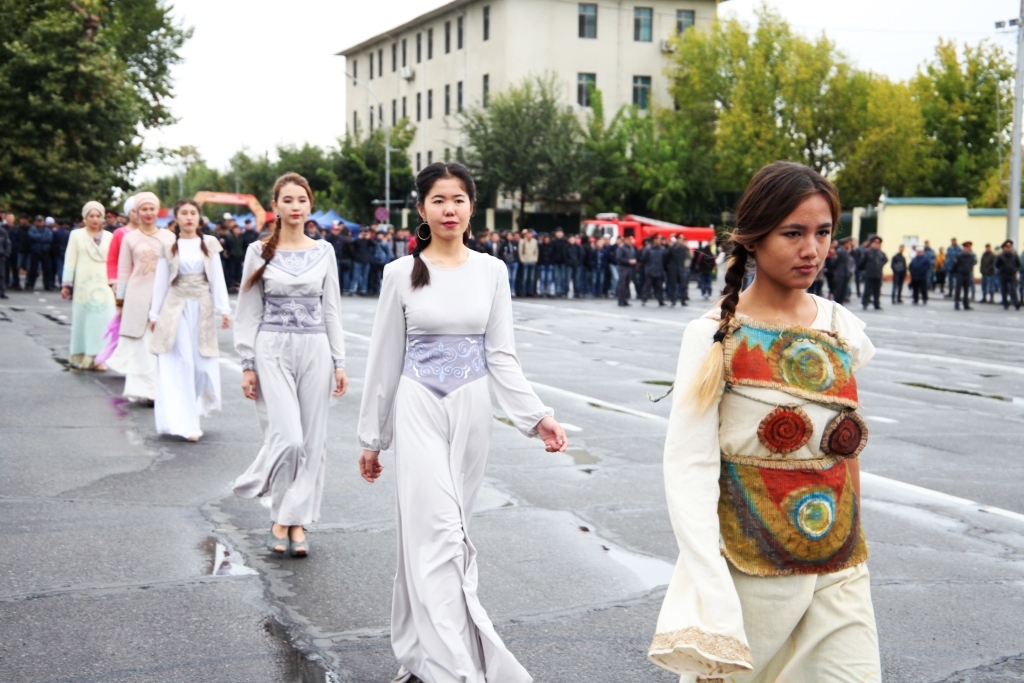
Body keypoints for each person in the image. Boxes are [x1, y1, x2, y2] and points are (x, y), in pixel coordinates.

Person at [649, 161, 880, 682]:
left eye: (823, 233)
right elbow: (687, 467)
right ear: (753, 239)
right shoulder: (713, 335)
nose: (812, 250)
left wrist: (854, 534)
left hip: (840, 563)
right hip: (749, 566)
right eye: (792, 233)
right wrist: (711, 585)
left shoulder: (842, 326)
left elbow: (847, 450)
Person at [357, 161, 568, 683]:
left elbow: (502, 356)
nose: (449, 209)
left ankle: (419, 650)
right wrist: (373, 438)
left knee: (442, 540)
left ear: (472, 206)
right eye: (438, 200)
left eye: (458, 199)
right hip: (417, 408)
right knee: (441, 537)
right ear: (422, 209)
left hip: (472, 412)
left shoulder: (492, 271)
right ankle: (454, 668)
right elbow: (383, 360)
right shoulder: (398, 275)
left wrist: (535, 415)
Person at [233, 173, 348, 558]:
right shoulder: (258, 251)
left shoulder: (324, 251)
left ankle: (291, 523)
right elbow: (248, 310)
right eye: (288, 199)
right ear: (276, 206)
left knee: (312, 441)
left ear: (309, 205)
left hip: (315, 346)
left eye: (302, 199)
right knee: (288, 437)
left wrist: (339, 361)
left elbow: (331, 307)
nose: (295, 206)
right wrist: (247, 362)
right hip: (271, 348)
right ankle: (259, 487)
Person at [148, 199, 231, 441]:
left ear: (199, 217)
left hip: (202, 308)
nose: (188, 217)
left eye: (193, 213)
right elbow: (161, 282)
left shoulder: (208, 243)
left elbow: (217, 278)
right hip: (176, 308)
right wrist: (154, 314)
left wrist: (224, 309)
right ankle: (186, 423)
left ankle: (191, 407)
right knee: (182, 360)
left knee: (202, 366)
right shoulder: (169, 246)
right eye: (183, 213)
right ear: (176, 217)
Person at [108, 192, 175, 403]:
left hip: (163, 297)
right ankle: (146, 391)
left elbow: (176, 271)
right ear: (135, 213)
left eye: (152, 209)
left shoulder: (169, 237)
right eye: (143, 209)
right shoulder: (129, 238)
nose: (148, 213)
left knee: (162, 344)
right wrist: (120, 303)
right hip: (137, 297)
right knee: (142, 344)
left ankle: (161, 390)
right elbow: (123, 273)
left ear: (158, 211)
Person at [60, 201, 116, 369]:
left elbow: (113, 261)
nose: (94, 219)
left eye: (98, 216)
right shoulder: (76, 235)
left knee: (105, 319)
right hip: (83, 286)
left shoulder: (110, 237)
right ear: (84, 218)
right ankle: (86, 356)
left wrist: (115, 283)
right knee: (85, 321)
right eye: (91, 216)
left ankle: (102, 358)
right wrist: (66, 284)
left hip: (104, 284)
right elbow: (70, 261)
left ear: (103, 218)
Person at [107, 196, 138, 289]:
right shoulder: (119, 233)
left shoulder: (151, 234)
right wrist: (114, 280)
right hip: (124, 280)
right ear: (128, 213)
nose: (137, 214)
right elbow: (112, 259)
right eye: (134, 211)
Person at [26, 215, 54, 291]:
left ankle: (47, 285)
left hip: (45, 251)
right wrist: (41, 237)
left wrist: (38, 238)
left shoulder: (48, 230)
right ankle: (30, 285)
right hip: (35, 251)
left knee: (47, 269)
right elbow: (31, 236)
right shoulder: (32, 229)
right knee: (33, 269)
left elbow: (48, 239)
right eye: (38, 221)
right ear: (35, 222)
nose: (40, 222)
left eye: (41, 221)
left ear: (44, 222)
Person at [860, 236, 886, 310]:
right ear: (871, 244)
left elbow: (885, 260)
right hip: (869, 274)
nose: (876, 245)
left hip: (878, 275)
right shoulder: (867, 252)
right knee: (867, 290)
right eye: (875, 243)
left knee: (877, 291)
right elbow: (862, 263)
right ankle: (865, 303)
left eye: (878, 244)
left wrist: (881, 265)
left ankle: (876, 304)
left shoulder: (881, 253)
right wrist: (866, 269)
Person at [641, 235, 667, 306]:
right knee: (647, 286)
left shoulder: (662, 249)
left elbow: (665, 260)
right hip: (650, 270)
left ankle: (660, 300)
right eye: (658, 239)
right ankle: (644, 299)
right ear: (654, 240)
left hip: (659, 270)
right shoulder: (648, 249)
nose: (659, 240)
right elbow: (643, 259)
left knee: (660, 287)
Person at [994, 240, 1021, 310]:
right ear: (1003, 248)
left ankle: (1016, 303)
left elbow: (1018, 264)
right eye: (1007, 247)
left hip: (1012, 275)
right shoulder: (1000, 256)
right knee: (1004, 290)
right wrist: (1000, 271)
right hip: (1003, 275)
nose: (1009, 248)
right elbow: (996, 265)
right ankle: (1005, 303)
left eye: (1010, 247)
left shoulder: (1014, 255)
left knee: (1013, 289)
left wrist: (1016, 271)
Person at [952, 241, 977, 311]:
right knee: (958, 290)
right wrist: (956, 274)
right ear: (964, 248)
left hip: (967, 274)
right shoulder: (959, 256)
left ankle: (966, 304)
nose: (968, 249)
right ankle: (957, 303)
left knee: (966, 290)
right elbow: (955, 265)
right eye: (966, 247)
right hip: (960, 274)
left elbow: (974, 263)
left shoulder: (971, 256)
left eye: (969, 247)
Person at [665, 236, 690, 306]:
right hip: (673, 269)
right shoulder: (672, 248)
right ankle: (673, 300)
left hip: (681, 268)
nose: (680, 241)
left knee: (683, 286)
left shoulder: (684, 248)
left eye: (681, 239)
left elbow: (689, 257)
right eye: (679, 239)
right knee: (673, 285)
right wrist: (668, 267)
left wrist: (686, 265)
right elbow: (667, 258)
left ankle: (683, 300)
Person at [616, 234, 637, 306]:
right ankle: (620, 300)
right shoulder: (621, 248)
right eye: (628, 240)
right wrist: (628, 261)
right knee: (622, 284)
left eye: (630, 240)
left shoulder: (631, 248)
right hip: (623, 267)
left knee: (627, 284)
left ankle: (625, 300)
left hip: (629, 267)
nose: (630, 241)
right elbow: (619, 258)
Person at [517, 229, 538, 296]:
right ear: (526, 235)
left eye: (531, 234)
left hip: (532, 260)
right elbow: (520, 251)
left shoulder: (534, 241)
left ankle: (530, 292)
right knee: (524, 278)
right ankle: (523, 292)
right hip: (525, 261)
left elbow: (536, 251)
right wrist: (522, 259)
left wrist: (535, 259)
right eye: (528, 234)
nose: (530, 235)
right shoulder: (522, 241)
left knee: (532, 278)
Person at [0, 217, 9, 299]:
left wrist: (6, 254)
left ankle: (2, 292)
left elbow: (8, 243)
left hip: (1, 256)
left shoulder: (3, 232)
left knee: (2, 275)